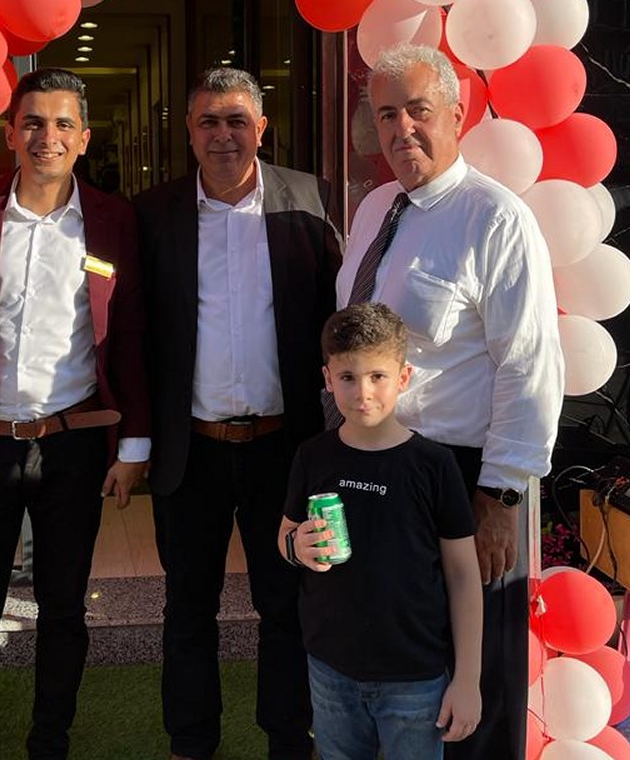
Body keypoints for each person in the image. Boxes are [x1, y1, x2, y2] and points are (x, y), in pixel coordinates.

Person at [0, 68, 150, 760]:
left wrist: (134, 443)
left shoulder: (113, 221)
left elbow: (130, 337)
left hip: (73, 448)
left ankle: (50, 745)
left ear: (84, 138)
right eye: (34, 122)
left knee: (64, 612)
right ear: (10, 133)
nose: (49, 136)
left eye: (63, 123)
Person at [337, 44, 564, 759]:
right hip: (379, 471)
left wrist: (500, 498)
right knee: (398, 671)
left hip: (464, 483)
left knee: (473, 688)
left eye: (418, 110)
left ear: (457, 115)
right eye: (386, 114)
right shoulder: (374, 209)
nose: (401, 128)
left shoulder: (495, 219)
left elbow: (529, 367)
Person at [135, 67, 343, 760]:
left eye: (236, 121)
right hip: (190, 450)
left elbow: (336, 318)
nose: (222, 135)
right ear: (188, 132)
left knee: (286, 603)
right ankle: (191, 745)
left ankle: (289, 741)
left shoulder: (309, 201)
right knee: (187, 608)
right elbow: (134, 331)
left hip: (284, 450)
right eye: (208, 121)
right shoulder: (153, 213)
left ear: (262, 127)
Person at [279, 302, 482, 760]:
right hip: (330, 668)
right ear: (328, 379)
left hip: (415, 677)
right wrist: (296, 547)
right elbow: (286, 534)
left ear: (404, 377)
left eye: (378, 376)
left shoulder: (434, 465)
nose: (363, 392)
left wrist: (468, 679)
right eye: (347, 377)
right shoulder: (313, 456)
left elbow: (463, 574)